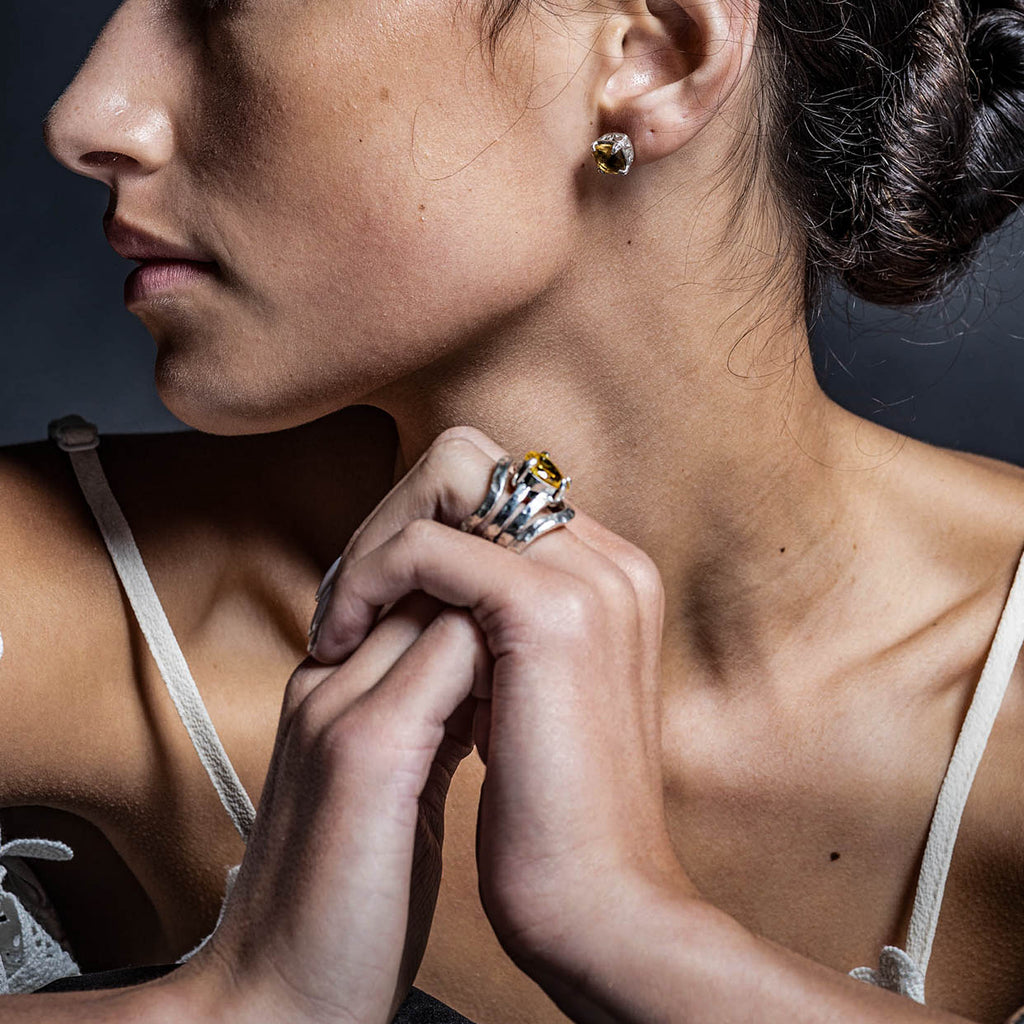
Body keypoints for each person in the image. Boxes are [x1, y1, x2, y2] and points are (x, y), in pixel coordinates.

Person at [2, 0, 1024, 1018]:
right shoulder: (39, 597)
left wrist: (633, 930)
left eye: (215, 11)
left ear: (651, 52)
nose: (86, 117)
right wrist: (238, 1006)